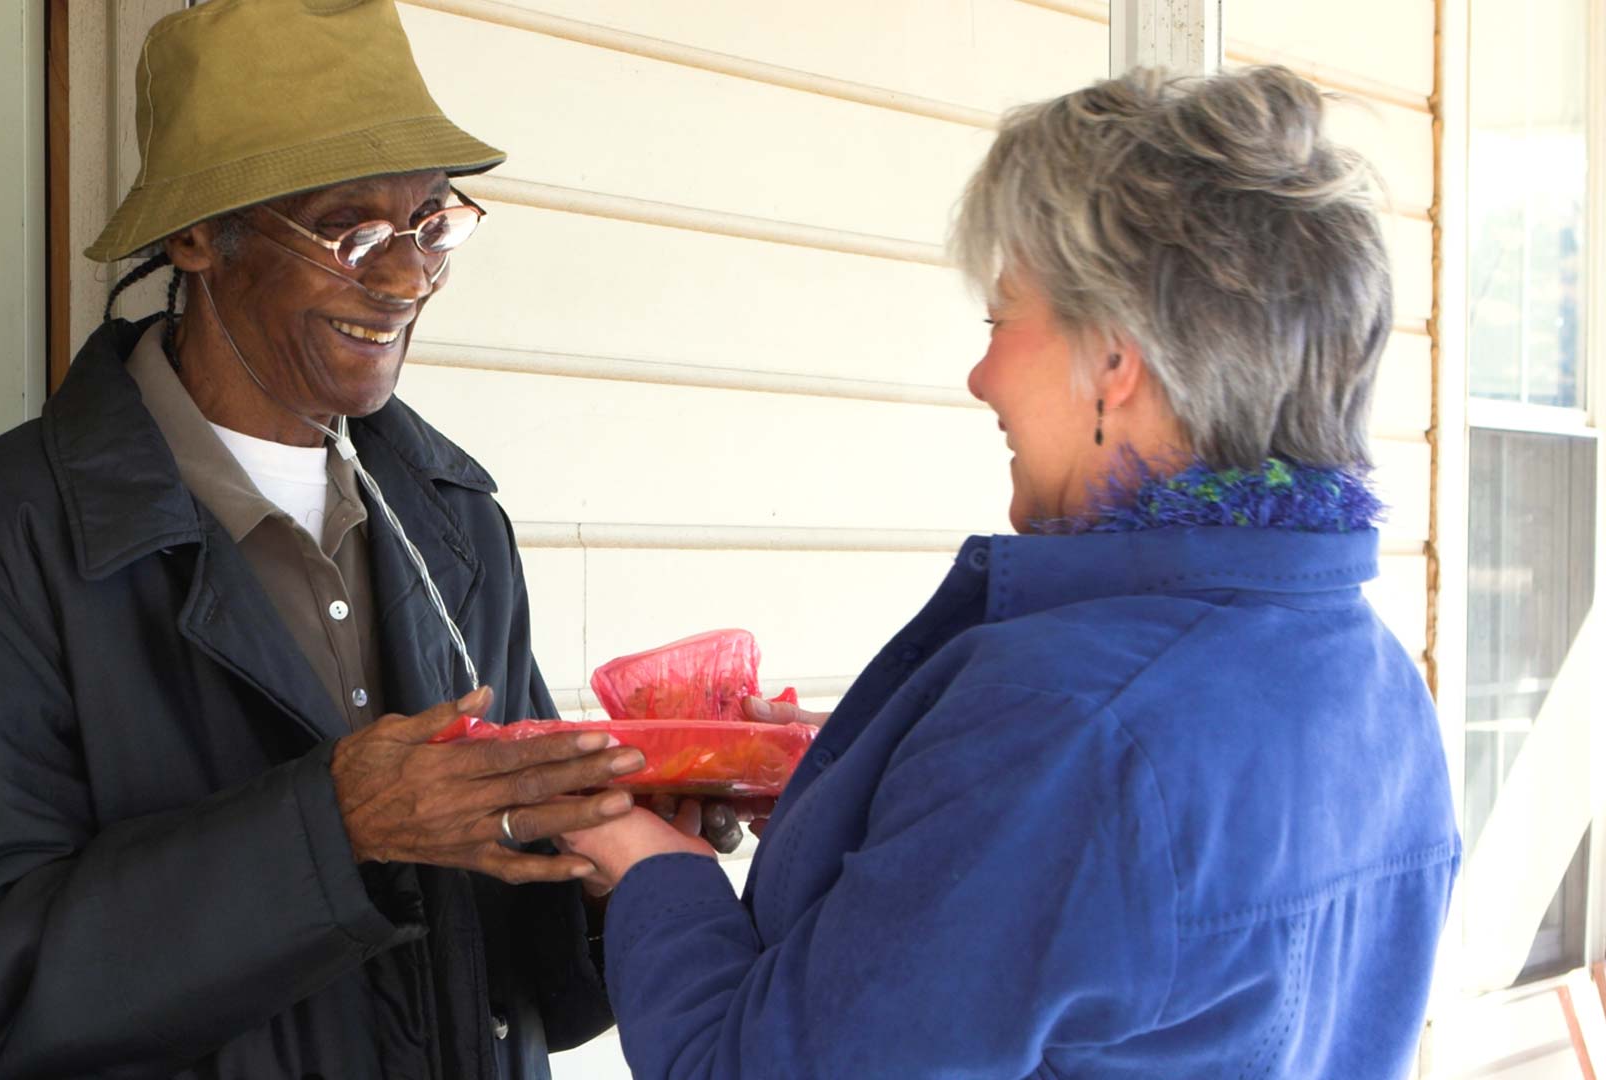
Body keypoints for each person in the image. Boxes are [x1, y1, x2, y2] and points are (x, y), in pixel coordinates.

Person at [561, 66, 1461, 1079]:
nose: (981, 374)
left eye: (1002, 319)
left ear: (1115, 362)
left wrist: (657, 872)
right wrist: (873, 795)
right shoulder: (1378, 686)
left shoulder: (1066, 725)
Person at [0, 2, 644, 1076]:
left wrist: (624, 860)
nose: (408, 278)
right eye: (351, 230)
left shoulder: (453, 516)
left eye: (430, 223)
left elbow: (523, 991)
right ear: (197, 236)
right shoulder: (20, 531)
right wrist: (336, 830)